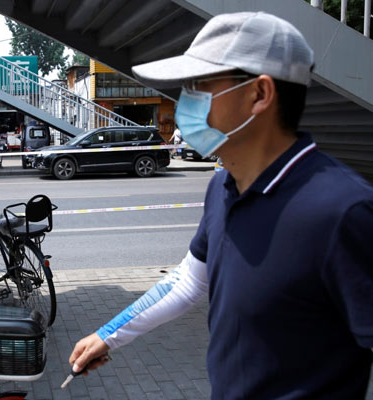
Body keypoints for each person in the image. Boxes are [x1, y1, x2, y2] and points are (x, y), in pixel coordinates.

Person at [69, 12, 373, 399]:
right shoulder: (222, 186)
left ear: (259, 94)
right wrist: (109, 334)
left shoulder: (344, 212)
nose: (186, 102)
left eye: (199, 86)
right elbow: (189, 282)